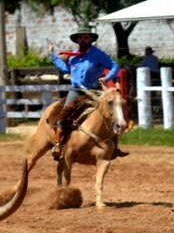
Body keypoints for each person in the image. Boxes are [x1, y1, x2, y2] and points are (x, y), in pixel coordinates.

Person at [48, 26, 128, 159]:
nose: (83, 39)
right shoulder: (73, 56)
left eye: (86, 37)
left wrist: (107, 78)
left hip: (94, 90)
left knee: (110, 114)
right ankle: (58, 144)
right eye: (81, 37)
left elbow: (114, 66)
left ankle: (115, 146)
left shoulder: (98, 54)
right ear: (77, 40)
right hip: (77, 91)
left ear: (90, 39)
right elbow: (66, 69)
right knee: (64, 114)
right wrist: (53, 55)